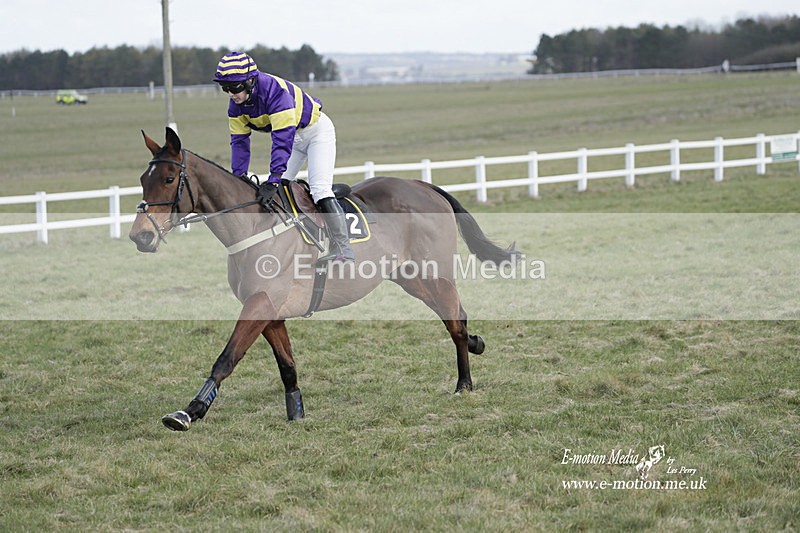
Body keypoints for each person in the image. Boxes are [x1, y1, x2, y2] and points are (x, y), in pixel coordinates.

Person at [212, 51, 354, 262]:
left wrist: (274, 178)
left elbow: (281, 140)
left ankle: (343, 248)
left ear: (251, 81)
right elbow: (239, 142)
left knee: (319, 189)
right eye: (225, 88)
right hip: (293, 139)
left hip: (316, 133)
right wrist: (239, 175)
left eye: (235, 87)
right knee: (282, 189)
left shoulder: (276, 93)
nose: (231, 94)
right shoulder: (236, 107)